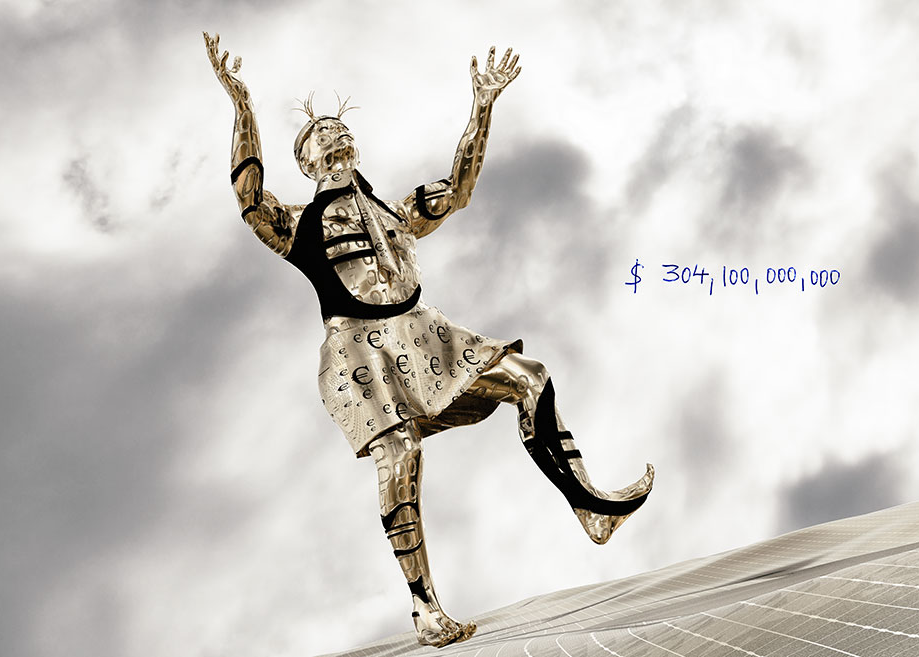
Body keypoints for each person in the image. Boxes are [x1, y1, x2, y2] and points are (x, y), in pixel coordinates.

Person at [203, 32, 655, 648]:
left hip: (425, 332)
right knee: (401, 457)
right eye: (319, 135)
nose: (333, 133)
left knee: (530, 377)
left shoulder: (396, 211)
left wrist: (483, 106)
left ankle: (589, 506)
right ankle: (425, 608)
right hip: (359, 350)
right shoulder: (298, 226)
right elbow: (248, 198)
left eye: (339, 127)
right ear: (305, 162)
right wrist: (242, 105)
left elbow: (459, 186)